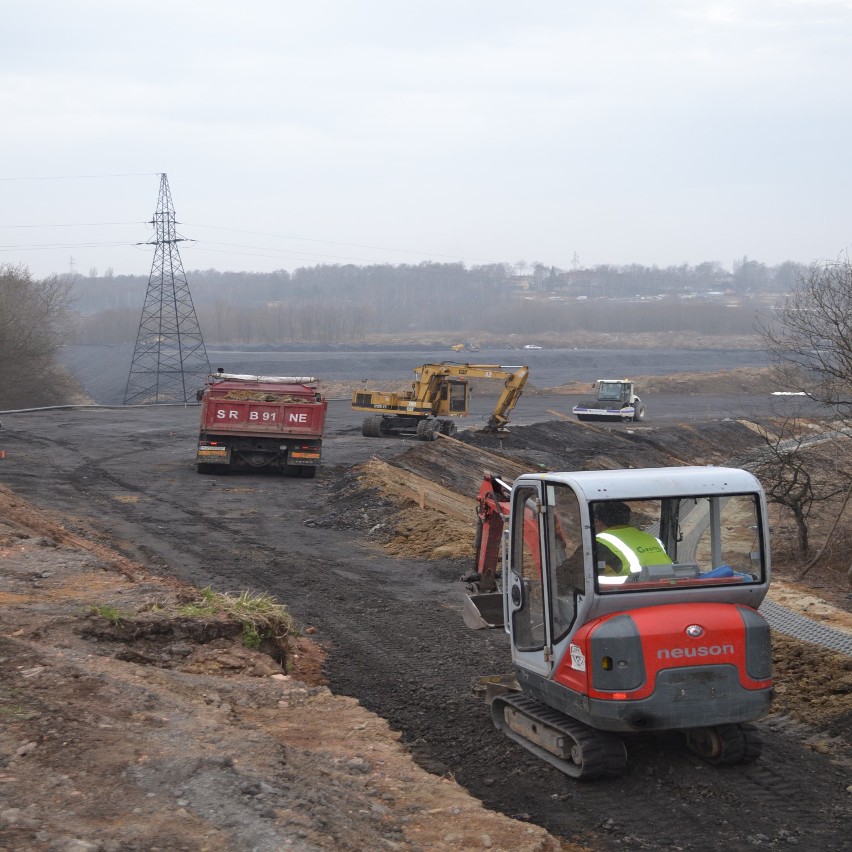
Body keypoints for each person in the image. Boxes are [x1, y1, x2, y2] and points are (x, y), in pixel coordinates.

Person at [593, 501, 672, 585]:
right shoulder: (653, 539)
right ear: (627, 519)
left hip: (630, 594)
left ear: (599, 521)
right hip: (670, 589)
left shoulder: (598, 543)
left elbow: (584, 578)